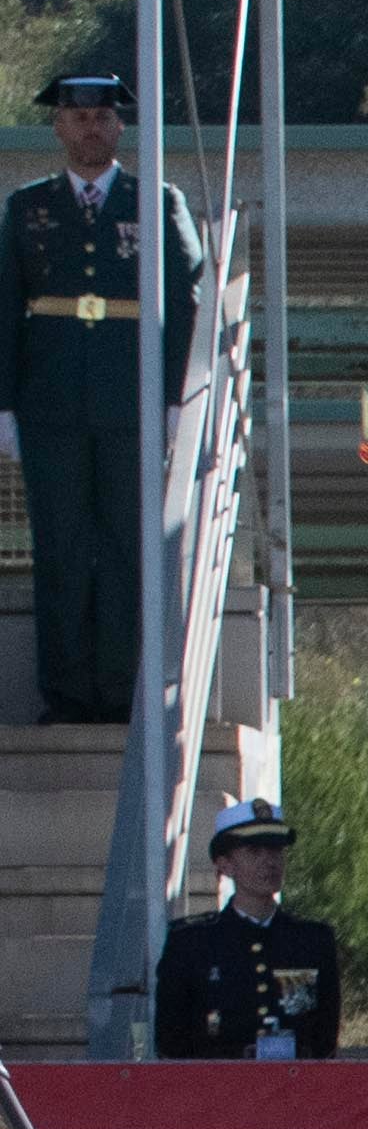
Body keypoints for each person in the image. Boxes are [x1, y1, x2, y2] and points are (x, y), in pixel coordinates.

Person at [7, 62, 195, 724]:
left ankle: (119, 690)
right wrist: (5, 404)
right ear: (58, 126)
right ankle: (65, 692)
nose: (92, 128)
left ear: (121, 125)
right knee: (60, 545)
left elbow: (188, 296)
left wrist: (177, 399)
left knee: (124, 545)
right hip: (49, 403)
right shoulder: (26, 207)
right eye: (78, 117)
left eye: (104, 117)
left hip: (131, 399)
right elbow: (5, 307)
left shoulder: (156, 202)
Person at [144, 794, 332, 1057]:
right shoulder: (192, 943)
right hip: (219, 1090)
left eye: (276, 850)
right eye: (254, 852)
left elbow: (323, 1040)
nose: (269, 862)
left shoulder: (311, 941)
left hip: (293, 1088)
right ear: (225, 865)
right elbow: (172, 1041)